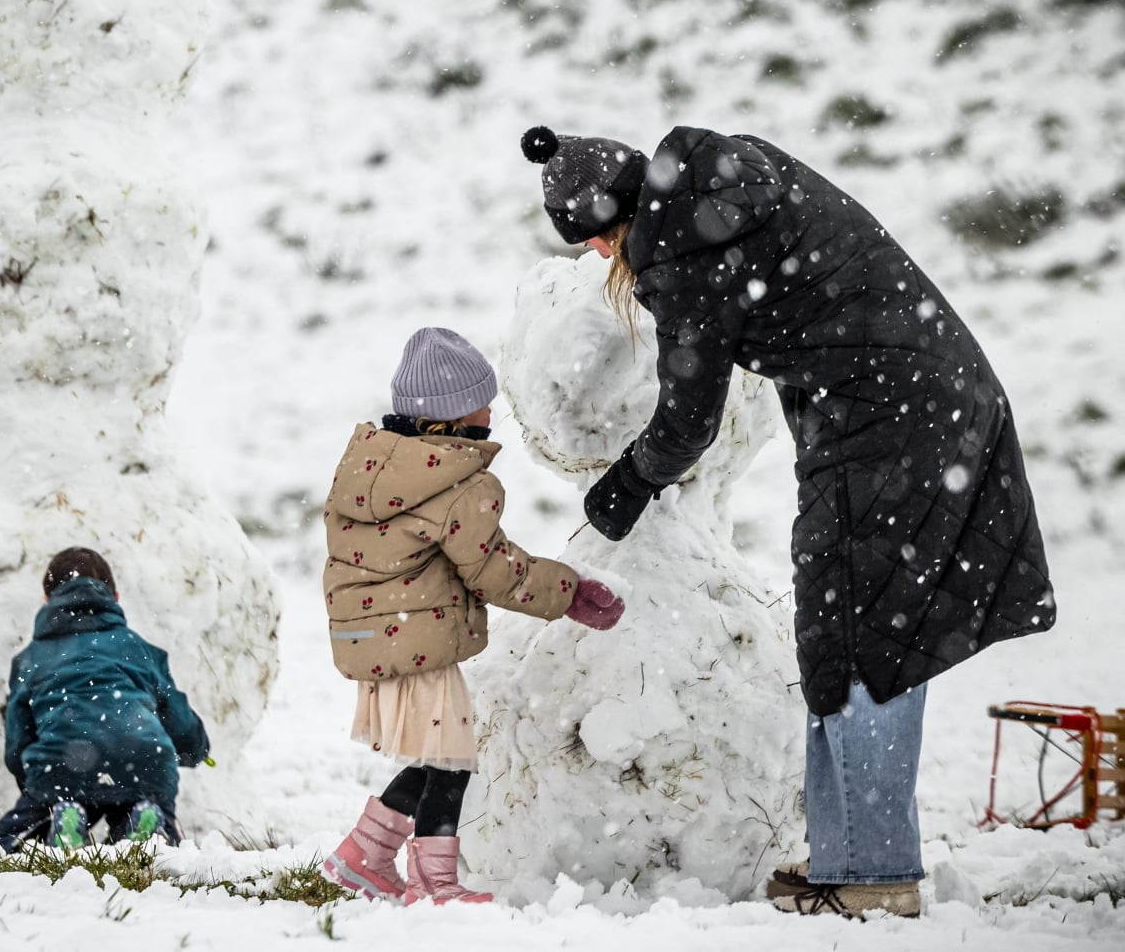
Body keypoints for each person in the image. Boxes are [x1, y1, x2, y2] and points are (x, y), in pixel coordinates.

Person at [520, 124, 1055, 918]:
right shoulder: (717, 184)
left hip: (892, 418)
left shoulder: (686, 247)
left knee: (868, 628)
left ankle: (875, 868)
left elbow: (687, 418)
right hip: (913, 399)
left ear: (608, 227)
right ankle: (850, 856)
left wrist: (624, 486)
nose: (605, 258)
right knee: (840, 624)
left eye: (598, 241)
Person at [319, 327, 626, 905]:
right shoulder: (460, 485)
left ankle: (364, 856)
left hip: (370, 635)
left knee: (442, 757)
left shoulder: (367, 467)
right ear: (457, 419)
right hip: (415, 636)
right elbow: (495, 571)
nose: (493, 413)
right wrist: (570, 592)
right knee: (453, 760)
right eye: (484, 404)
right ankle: (433, 884)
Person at [0, 547, 210, 852]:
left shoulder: (32, 659)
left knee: (7, 842)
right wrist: (195, 750)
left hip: (63, 762)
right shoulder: (140, 650)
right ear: (116, 598)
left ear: (46, 600)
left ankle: (63, 816)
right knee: (147, 814)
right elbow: (177, 717)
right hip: (144, 760)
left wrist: (32, 780)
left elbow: (17, 739)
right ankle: (143, 826)